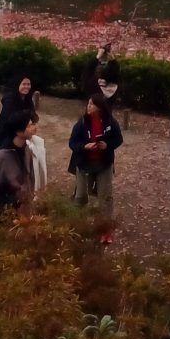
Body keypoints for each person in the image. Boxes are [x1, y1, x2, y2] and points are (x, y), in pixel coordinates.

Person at [68, 92, 123, 244]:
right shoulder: (82, 123)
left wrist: (107, 145)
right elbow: (72, 143)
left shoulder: (110, 122)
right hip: (84, 165)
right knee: (81, 197)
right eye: (88, 103)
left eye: (92, 104)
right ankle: (77, 227)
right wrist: (84, 146)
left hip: (103, 164)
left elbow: (118, 139)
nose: (89, 106)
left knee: (105, 197)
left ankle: (105, 230)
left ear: (99, 107)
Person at [0, 111, 35, 210]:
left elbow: (30, 176)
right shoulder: (3, 157)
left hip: (24, 207)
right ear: (18, 132)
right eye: (29, 126)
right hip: (7, 209)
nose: (33, 128)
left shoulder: (27, 150)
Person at [0, 77, 36, 145]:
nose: (26, 86)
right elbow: (9, 119)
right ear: (18, 85)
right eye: (24, 84)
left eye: (28, 84)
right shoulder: (10, 99)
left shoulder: (28, 98)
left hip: (20, 131)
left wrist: (33, 124)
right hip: (6, 133)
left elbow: (33, 115)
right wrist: (26, 113)